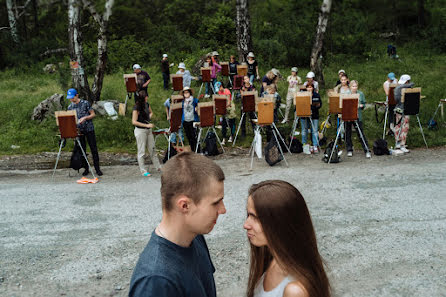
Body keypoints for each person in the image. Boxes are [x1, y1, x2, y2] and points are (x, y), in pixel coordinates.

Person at [129, 152, 226, 297]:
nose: (223, 210)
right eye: (216, 203)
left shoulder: (195, 237)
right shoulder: (156, 281)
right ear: (184, 206)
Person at [244, 180, 331, 297]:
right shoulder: (273, 258)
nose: (246, 225)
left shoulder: (295, 291)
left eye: (255, 218)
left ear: (280, 223)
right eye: (248, 215)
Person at [66, 88, 103, 176]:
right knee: (82, 150)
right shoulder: (70, 107)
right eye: (70, 98)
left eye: (73, 98)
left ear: (77, 96)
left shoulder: (85, 103)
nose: (71, 99)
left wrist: (85, 118)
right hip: (79, 131)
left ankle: (97, 168)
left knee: (93, 149)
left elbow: (93, 114)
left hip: (89, 129)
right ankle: (86, 168)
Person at [132, 91, 161, 176]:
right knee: (141, 151)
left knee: (152, 148)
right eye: (145, 97)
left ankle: (158, 166)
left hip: (148, 130)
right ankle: (143, 170)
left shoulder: (147, 104)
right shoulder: (136, 107)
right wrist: (146, 124)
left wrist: (148, 117)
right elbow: (134, 121)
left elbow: (151, 112)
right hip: (140, 131)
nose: (147, 98)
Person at [345, 80, 371, 158]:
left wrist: (361, 105)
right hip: (348, 116)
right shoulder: (347, 94)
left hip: (358, 115)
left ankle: (366, 150)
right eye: (353, 86)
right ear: (350, 87)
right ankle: (349, 149)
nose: (354, 88)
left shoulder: (361, 94)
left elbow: (364, 104)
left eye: (356, 86)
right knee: (348, 133)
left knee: (360, 133)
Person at [393, 74, 414, 154]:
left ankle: (398, 143)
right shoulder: (400, 88)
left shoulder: (397, 88)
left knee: (398, 126)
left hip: (399, 109)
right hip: (403, 110)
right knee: (404, 127)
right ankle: (402, 144)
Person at [300, 83, 322, 154]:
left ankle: (315, 145)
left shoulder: (316, 95)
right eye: (308, 87)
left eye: (311, 87)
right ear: (306, 88)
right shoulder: (302, 95)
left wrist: (313, 107)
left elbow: (319, 104)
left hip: (314, 115)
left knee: (315, 131)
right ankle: (304, 144)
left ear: (313, 88)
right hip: (304, 115)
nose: (309, 89)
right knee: (304, 130)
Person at [181, 87, 199, 152]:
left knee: (194, 135)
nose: (186, 94)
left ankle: (197, 149)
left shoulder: (194, 100)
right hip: (185, 120)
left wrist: (197, 109)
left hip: (193, 119)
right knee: (188, 136)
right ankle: (192, 149)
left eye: (187, 92)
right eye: (185, 93)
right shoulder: (182, 102)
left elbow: (198, 107)